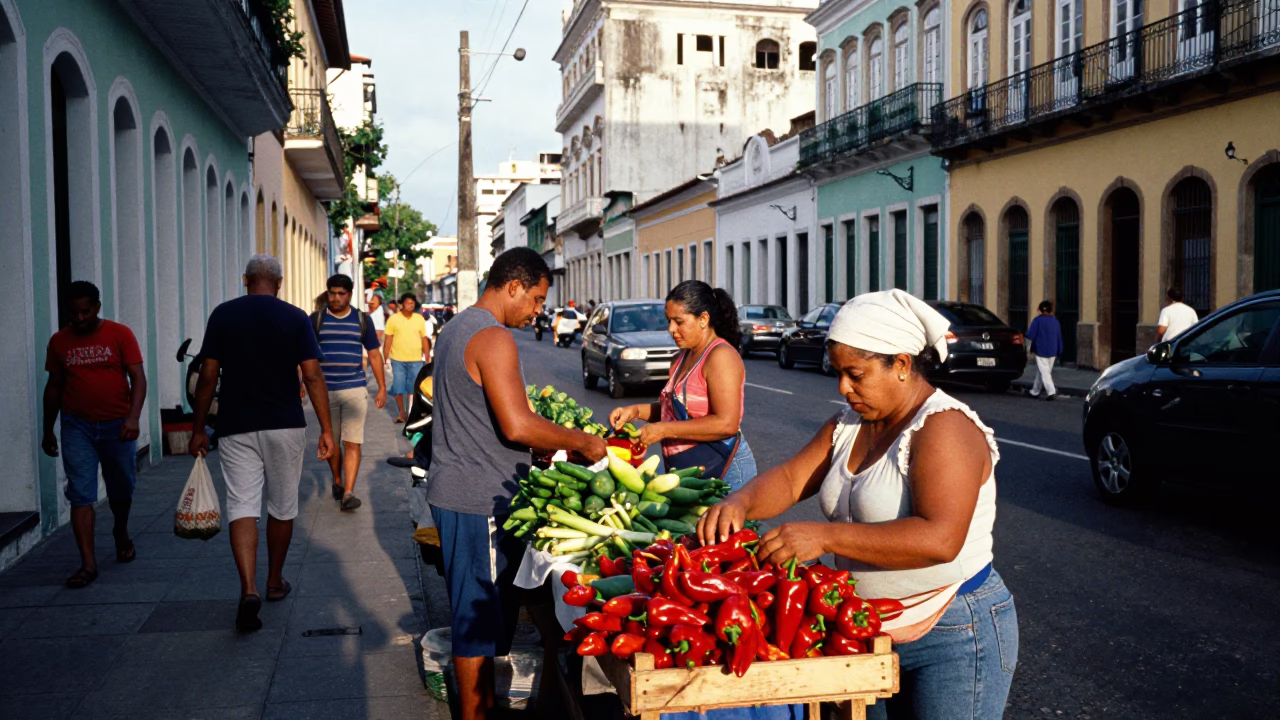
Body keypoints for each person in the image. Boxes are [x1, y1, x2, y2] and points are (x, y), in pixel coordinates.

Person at [699, 289, 1018, 720]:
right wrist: (740, 502)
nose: (843, 388)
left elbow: (940, 538)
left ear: (901, 365)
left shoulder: (944, 428)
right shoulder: (849, 424)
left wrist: (825, 536)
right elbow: (793, 478)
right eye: (838, 373)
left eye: (856, 374)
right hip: (865, 628)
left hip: (954, 630)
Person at [427, 247, 607, 720]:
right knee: (478, 624)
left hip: (459, 490)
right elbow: (516, 425)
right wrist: (581, 441)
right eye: (536, 299)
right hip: (477, 498)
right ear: (513, 287)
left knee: (481, 620)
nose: (538, 311)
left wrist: (537, 446)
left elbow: (483, 417)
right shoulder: (492, 336)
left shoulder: (455, 327)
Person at [190, 255, 334, 632]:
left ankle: (248, 587)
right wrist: (327, 429)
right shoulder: (294, 317)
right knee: (282, 506)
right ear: (280, 283)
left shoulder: (222, 315)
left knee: (242, 505)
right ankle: (273, 582)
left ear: (245, 280)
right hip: (284, 424)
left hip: (236, 425)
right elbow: (313, 375)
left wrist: (198, 428)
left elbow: (207, 375)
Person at [41, 281, 147, 589]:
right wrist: (48, 429)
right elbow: (54, 387)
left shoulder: (119, 334)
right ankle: (88, 564)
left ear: (97, 308)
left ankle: (121, 531)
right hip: (77, 426)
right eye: (73, 313)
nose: (79, 319)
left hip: (118, 425)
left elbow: (138, 377)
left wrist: (133, 417)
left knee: (121, 488)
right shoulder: (59, 342)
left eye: (85, 312)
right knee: (81, 493)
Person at [610, 280, 755, 489]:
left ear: (703, 319)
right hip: (690, 471)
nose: (671, 329)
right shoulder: (681, 357)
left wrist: (663, 430)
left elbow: (726, 424)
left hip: (725, 470)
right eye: (669, 321)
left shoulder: (721, 356)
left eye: (679, 321)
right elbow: (677, 411)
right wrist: (635, 411)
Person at [313, 274, 387, 511]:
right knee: (331, 441)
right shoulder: (316, 320)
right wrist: (301, 382)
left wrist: (382, 386)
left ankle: (348, 492)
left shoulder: (361, 320)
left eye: (341, 294)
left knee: (352, 441)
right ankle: (337, 479)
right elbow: (305, 355)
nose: (336, 298)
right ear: (327, 293)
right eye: (333, 293)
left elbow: (374, 353)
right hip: (325, 392)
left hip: (355, 388)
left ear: (350, 294)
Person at [384, 293, 431, 423]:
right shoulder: (393, 319)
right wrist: (385, 356)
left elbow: (424, 338)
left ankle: (411, 412)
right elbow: (388, 339)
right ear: (401, 304)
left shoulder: (419, 319)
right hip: (397, 359)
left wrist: (427, 355)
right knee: (398, 387)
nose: (411, 305)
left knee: (413, 387)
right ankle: (402, 413)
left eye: (413, 303)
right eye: (408, 302)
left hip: (416, 359)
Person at [1024, 300, 1064, 401]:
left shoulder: (1037, 320)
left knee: (1044, 372)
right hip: (1053, 350)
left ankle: (1051, 392)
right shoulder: (1055, 321)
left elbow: (1030, 335)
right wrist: (1060, 349)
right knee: (1042, 371)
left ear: (1040, 310)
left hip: (1040, 349)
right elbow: (1059, 336)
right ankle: (1035, 391)